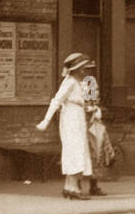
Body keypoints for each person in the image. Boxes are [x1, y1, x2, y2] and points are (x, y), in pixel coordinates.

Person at [36, 52, 97, 200]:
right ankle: (72, 188)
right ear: (74, 69)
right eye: (82, 68)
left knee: (78, 151)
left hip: (77, 116)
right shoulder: (69, 82)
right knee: (73, 150)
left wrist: (90, 109)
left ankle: (69, 187)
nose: (84, 71)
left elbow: (84, 100)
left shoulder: (79, 82)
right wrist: (46, 120)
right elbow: (56, 101)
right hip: (70, 118)